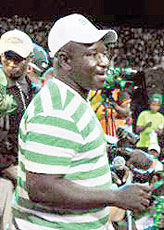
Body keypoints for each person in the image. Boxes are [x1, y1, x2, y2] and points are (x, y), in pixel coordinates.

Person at [11, 13, 152, 230]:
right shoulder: (56, 110)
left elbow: (71, 150)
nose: (104, 62)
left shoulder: (72, 98)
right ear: (65, 60)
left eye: (105, 53)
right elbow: (42, 188)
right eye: (92, 54)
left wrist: (119, 154)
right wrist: (114, 196)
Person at [0, 29, 35, 230]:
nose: (11, 63)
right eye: (7, 57)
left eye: (18, 58)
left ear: (28, 58)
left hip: (22, 166)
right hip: (7, 173)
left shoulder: (30, 89)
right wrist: (7, 167)